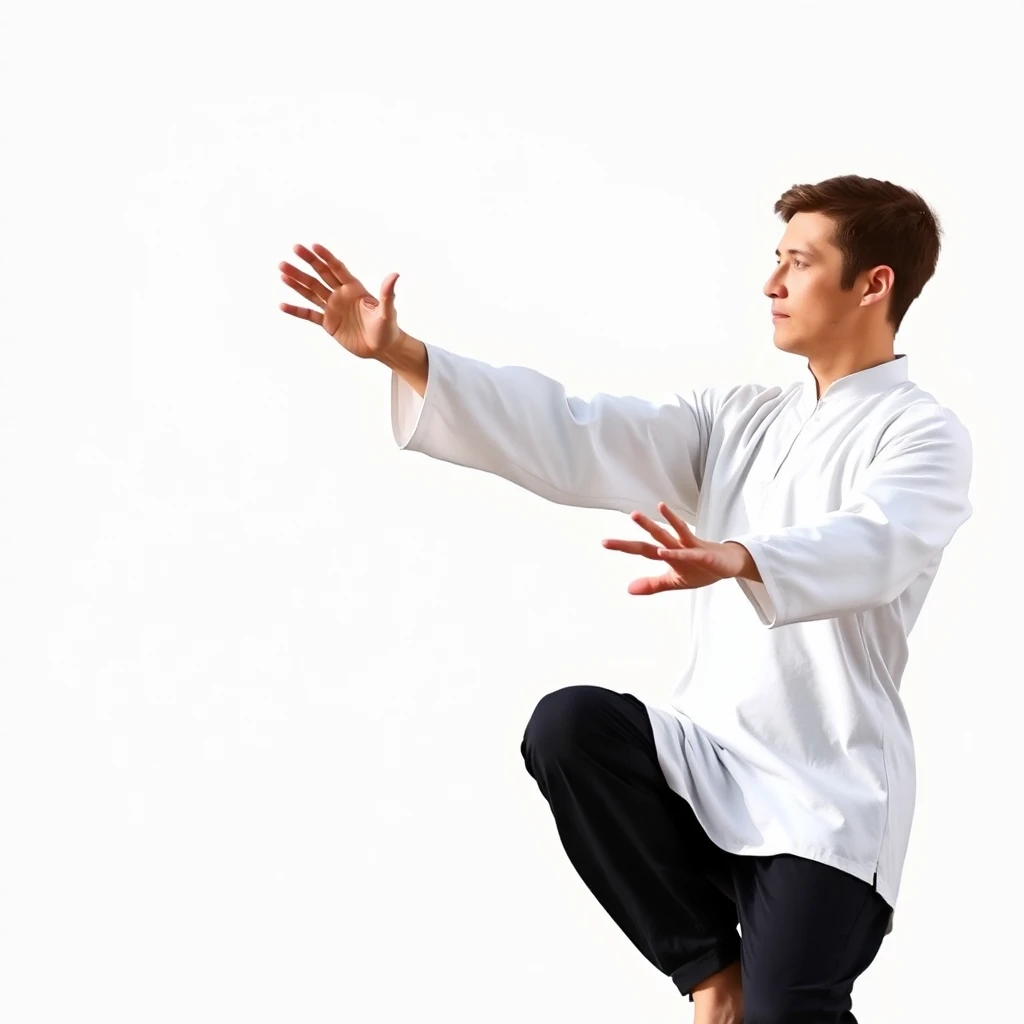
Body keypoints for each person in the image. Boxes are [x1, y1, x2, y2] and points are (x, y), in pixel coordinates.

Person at [278, 174, 973, 1024]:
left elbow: (879, 543)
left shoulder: (923, 433)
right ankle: (713, 973)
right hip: (710, 756)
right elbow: (577, 430)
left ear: (874, 284)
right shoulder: (738, 419)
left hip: (827, 792)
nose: (771, 284)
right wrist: (405, 355)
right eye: (775, 260)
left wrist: (743, 555)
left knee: (791, 1017)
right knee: (570, 728)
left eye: (798, 262)